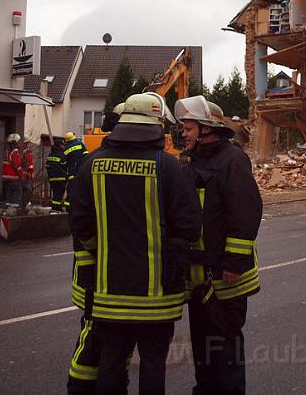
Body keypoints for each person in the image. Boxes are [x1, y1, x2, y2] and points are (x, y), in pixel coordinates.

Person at [69, 93, 201, 394]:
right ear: (156, 124)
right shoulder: (169, 168)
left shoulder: (92, 165)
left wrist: (98, 250)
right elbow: (190, 226)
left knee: (111, 362)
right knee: (153, 364)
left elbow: (79, 223)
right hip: (157, 298)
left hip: (108, 295)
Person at [175, 95, 262, 395]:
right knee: (202, 343)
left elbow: (245, 212)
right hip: (200, 276)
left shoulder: (232, 159)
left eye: (188, 128)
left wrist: (233, 263)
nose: (183, 133)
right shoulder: (190, 161)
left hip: (226, 275)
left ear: (206, 127)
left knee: (225, 346)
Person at [63, 131, 88, 211]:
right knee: (81, 190)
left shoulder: (66, 149)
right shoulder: (81, 145)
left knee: (71, 190)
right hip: (81, 172)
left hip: (72, 173)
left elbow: (63, 162)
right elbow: (86, 156)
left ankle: (68, 207)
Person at [1, 133, 23, 211]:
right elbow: (17, 166)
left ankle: (7, 209)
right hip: (14, 177)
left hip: (7, 178)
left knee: (9, 193)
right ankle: (13, 210)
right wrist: (21, 175)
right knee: (15, 193)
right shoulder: (15, 152)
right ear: (15, 142)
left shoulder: (7, 152)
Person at [46, 136, 68, 212]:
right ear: (60, 145)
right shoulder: (62, 155)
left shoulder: (50, 155)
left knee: (55, 194)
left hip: (52, 179)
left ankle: (55, 208)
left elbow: (47, 166)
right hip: (61, 178)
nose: (64, 146)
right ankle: (57, 208)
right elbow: (65, 165)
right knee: (59, 195)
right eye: (63, 144)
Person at [20, 135, 35, 210]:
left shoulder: (27, 152)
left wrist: (30, 173)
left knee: (26, 189)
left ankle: (26, 204)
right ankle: (25, 204)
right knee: (25, 189)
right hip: (22, 173)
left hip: (25, 174)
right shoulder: (23, 152)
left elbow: (30, 164)